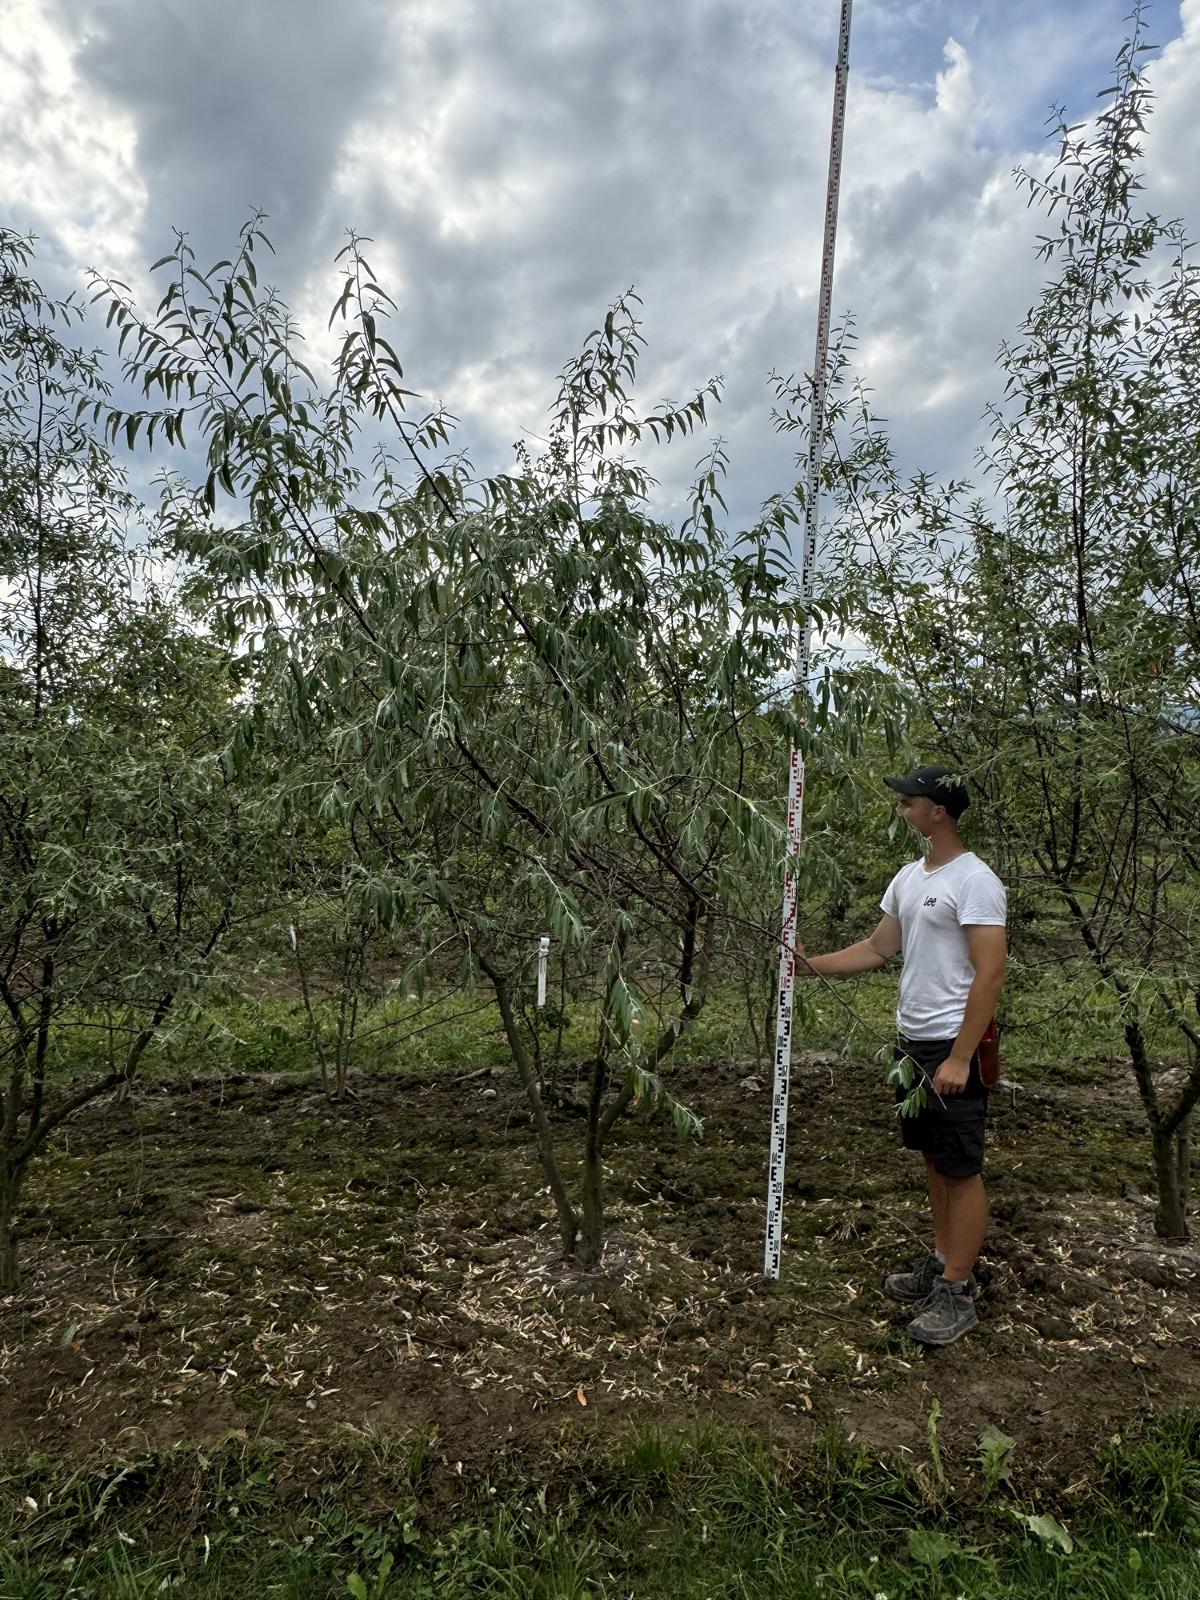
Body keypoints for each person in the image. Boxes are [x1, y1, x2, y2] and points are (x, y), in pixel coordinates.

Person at [795, 765, 1007, 1346]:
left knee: (961, 1168)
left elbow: (990, 973)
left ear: (938, 810)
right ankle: (942, 1263)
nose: (900, 808)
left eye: (908, 801)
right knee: (934, 1160)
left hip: (952, 1044)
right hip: (912, 1045)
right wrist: (807, 968)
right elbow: (877, 947)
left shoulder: (976, 880)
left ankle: (958, 1292)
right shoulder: (910, 877)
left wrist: (961, 1057)